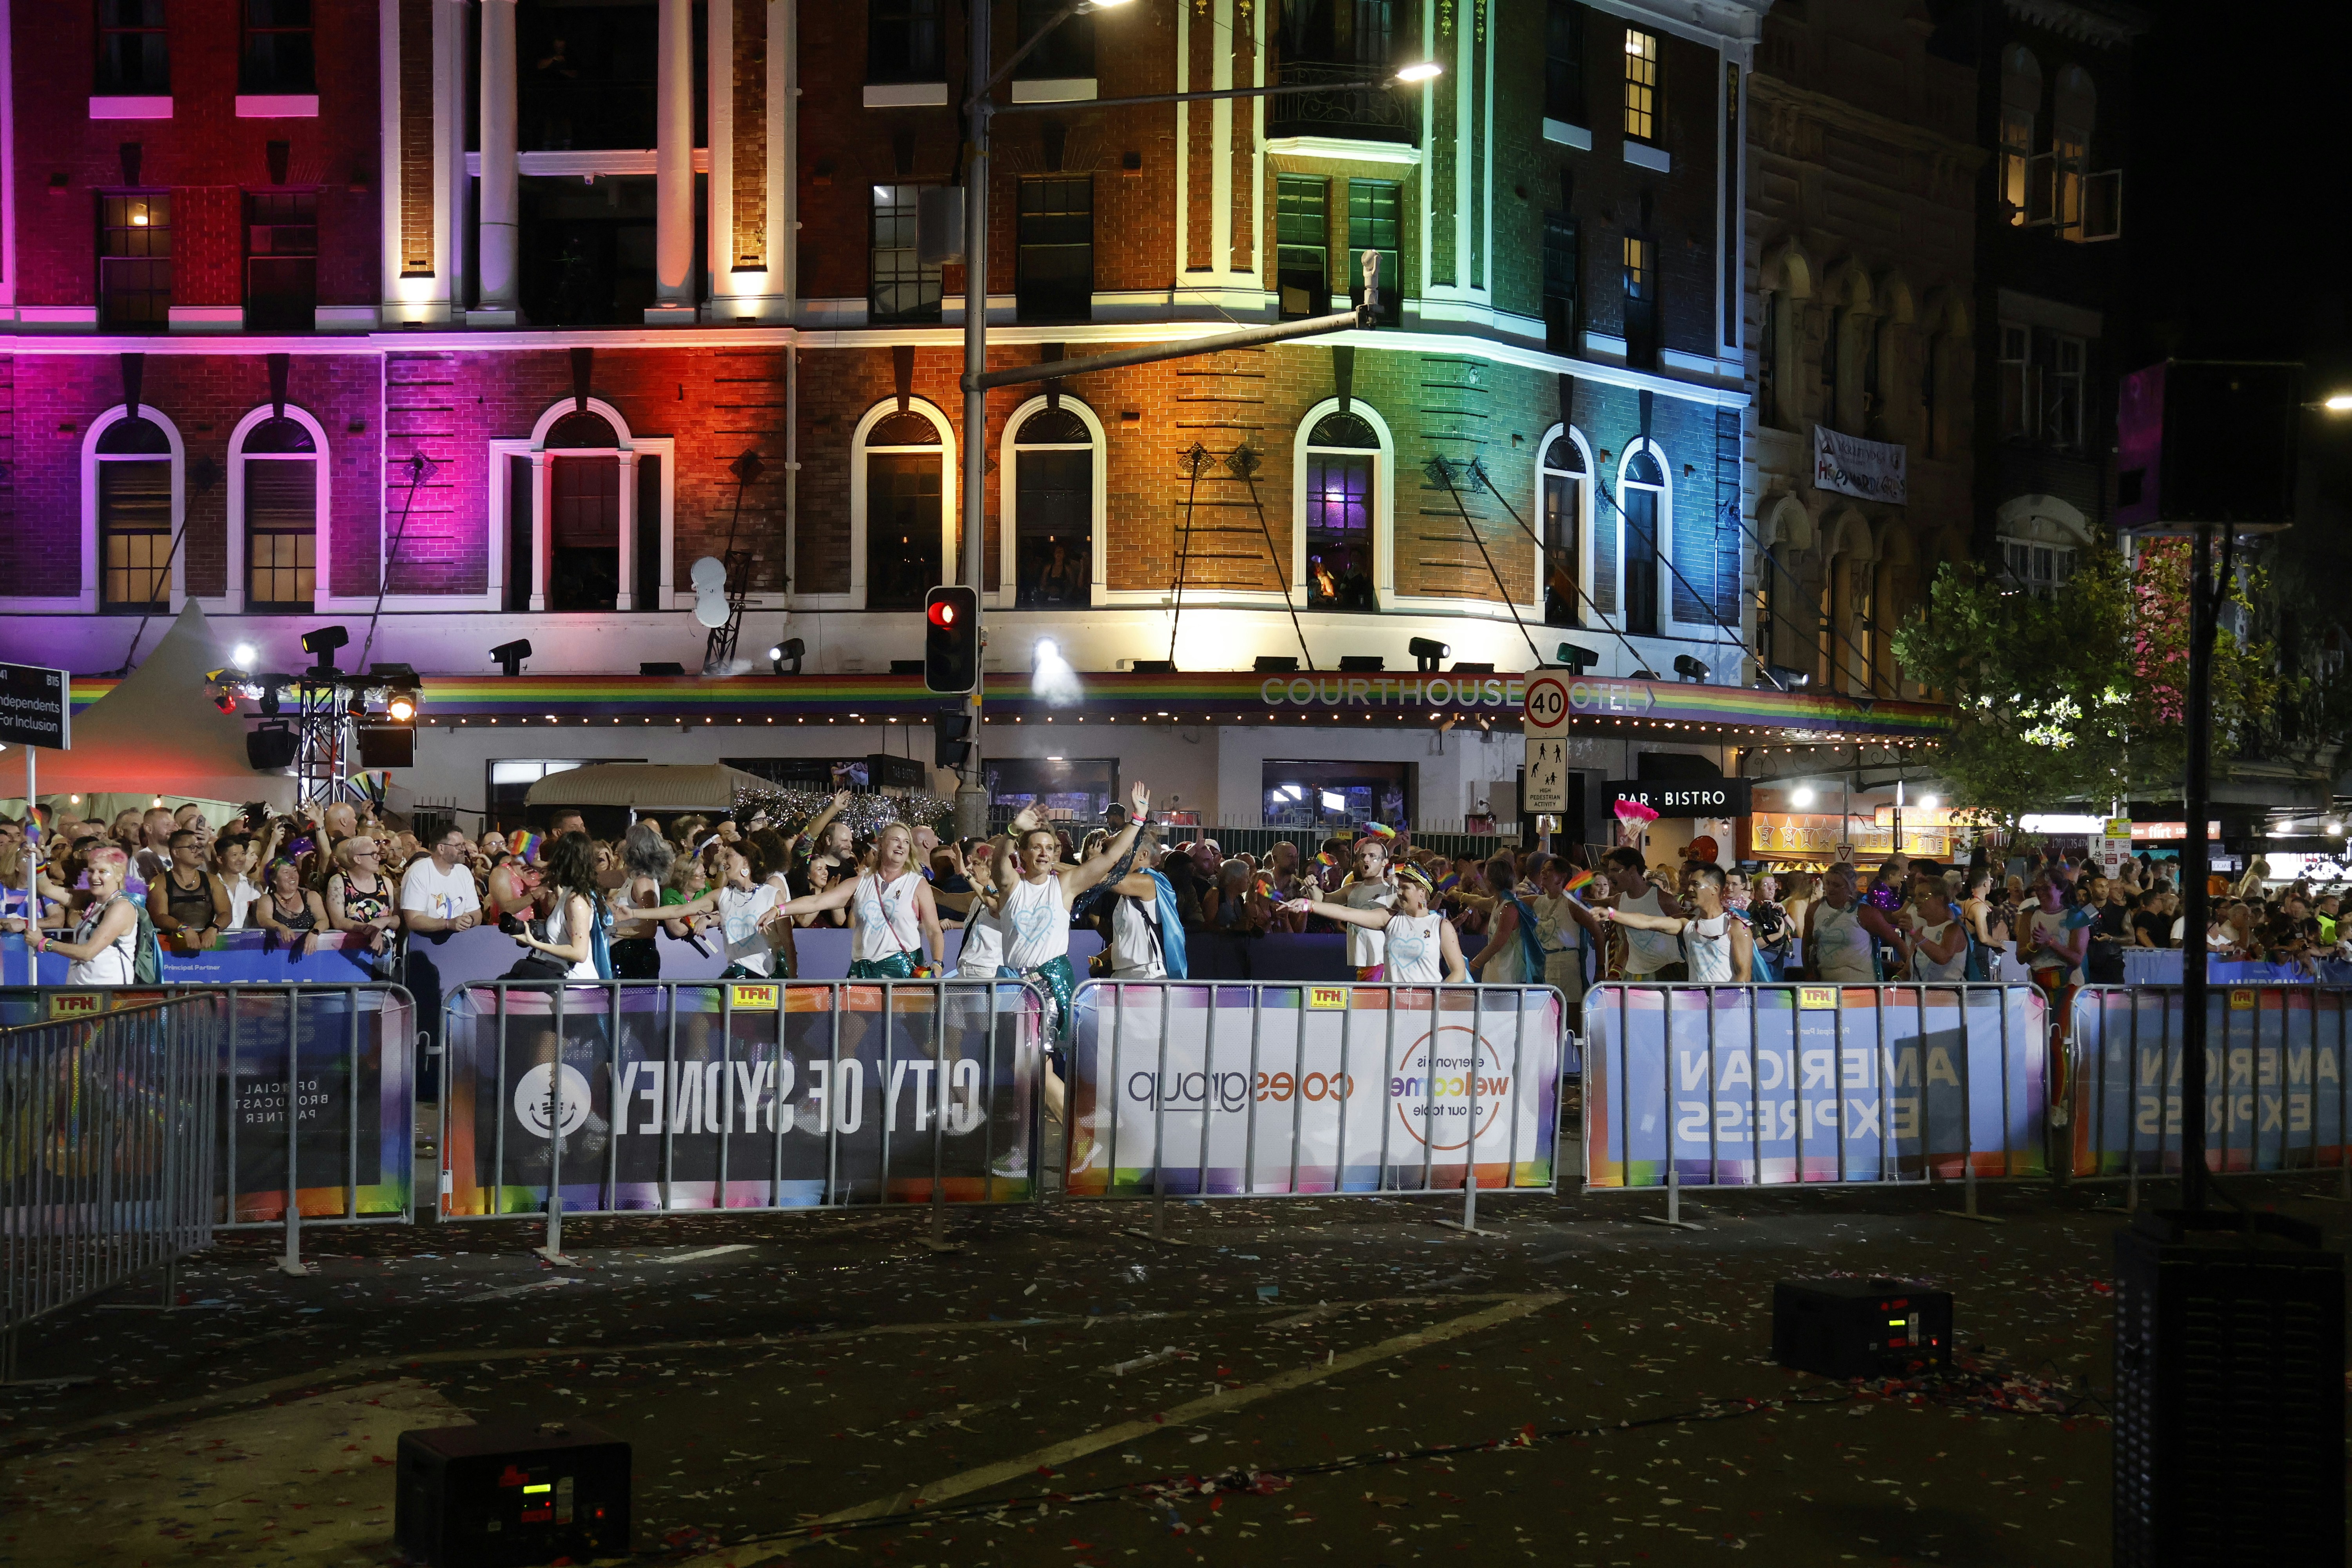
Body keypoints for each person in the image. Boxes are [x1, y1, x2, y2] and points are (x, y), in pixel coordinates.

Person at [768, 821, 951, 980]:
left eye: (906, 842)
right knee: (851, 1021)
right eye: (895, 840)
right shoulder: (861, 882)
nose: (901, 846)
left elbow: (934, 931)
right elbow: (817, 902)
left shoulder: (917, 884)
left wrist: (938, 963)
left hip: (903, 972)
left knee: (900, 1021)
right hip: (863, 971)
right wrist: (779, 910)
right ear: (881, 844)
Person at [1283, 862, 1466, 982]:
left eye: (1406, 888)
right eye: (1399, 887)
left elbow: (1459, 972)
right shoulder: (1389, 918)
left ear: (1423, 892)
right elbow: (1346, 912)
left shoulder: (1441, 926)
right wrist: (1310, 904)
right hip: (1393, 1005)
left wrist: (1434, 997)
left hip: (1428, 1009)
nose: (1400, 892)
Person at [1601, 863, 1753, 982]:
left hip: (1726, 1010)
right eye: (1689, 884)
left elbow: (1744, 976)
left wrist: (1725, 1006)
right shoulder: (1687, 924)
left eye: (1696, 884)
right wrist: (1612, 914)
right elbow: (1648, 921)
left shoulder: (1736, 927)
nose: (1690, 889)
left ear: (1715, 889)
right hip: (1696, 1008)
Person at [20, 844, 141, 984]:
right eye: (91, 871)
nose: (94, 877)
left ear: (119, 876)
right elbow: (47, 889)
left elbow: (87, 953)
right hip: (81, 993)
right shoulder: (91, 900)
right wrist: (39, 864)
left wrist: (44, 943)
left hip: (109, 994)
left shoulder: (122, 907)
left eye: (103, 872)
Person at [507, 833, 605, 980]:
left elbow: (579, 953)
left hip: (575, 985)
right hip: (560, 981)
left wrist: (533, 943)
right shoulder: (567, 893)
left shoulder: (577, 900)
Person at [1802, 861, 1908, 982]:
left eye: (1837, 885)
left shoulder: (1865, 913)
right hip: (1827, 984)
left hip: (1861, 985)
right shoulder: (1815, 909)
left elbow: (1897, 941)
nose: (1830, 889)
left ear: (1850, 887)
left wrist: (1910, 971)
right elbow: (1806, 944)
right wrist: (1809, 973)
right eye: (1828, 883)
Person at [1598, 847, 1688, 981]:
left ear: (1633, 870)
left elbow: (1684, 938)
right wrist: (1615, 972)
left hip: (1667, 975)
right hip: (1634, 975)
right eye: (1609, 870)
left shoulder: (1664, 900)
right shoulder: (1619, 901)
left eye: (1616, 870)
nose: (1610, 876)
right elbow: (1627, 943)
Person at [147, 827, 229, 952]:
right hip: (172, 951)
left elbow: (226, 913)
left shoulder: (213, 881)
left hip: (207, 948)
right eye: (192, 847)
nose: (199, 851)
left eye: (200, 847)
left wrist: (214, 928)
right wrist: (184, 929)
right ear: (176, 853)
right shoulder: (160, 882)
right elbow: (160, 916)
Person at [1334, 833, 1399, 980]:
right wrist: (1311, 886)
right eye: (1363, 856)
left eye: (1372, 856)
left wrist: (1401, 888)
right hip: (1362, 966)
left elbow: (1416, 908)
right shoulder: (1351, 889)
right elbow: (1324, 900)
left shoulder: (1392, 890)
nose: (1366, 859)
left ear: (1385, 862)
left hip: (1381, 966)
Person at [401, 824, 483, 939]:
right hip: (425, 943)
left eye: (463, 845)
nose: (464, 849)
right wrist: (448, 924)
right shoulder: (418, 873)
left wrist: (470, 920)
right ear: (441, 848)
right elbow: (413, 920)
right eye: (458, 846)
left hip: (460, 941)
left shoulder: (464, 872)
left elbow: (477, 913)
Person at [324, 836, 401, 957]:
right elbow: (338, 922)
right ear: (357, 859)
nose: (378, 858)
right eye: (373, 854)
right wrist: (371, 929)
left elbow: (397, 920)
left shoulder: (385, 883)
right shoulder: (339, 882)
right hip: (351, 953)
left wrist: (385, 920)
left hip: (385, 954)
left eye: (378, 854)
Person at [1900, 861, 1970, 982]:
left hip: (1945, 998)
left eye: (1922, 896)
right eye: (1916, 896)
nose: (1916, 901)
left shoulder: (1953, 930)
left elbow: (1943, 958)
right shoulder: (1922, 931)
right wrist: (1895, 981)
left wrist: (1914, 934)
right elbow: (1908, 971)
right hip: (1921, 998)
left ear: (1940, 899)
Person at [253, 857, 328, 955]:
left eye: (295, 871)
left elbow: (324, 920)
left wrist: (314, 933)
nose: (293, 876)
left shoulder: (311, 896)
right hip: (277, 955)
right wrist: (280, 927)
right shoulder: (267, 899)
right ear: (274, 879)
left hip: (309, 953)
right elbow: (264, 919)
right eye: (286, 872)